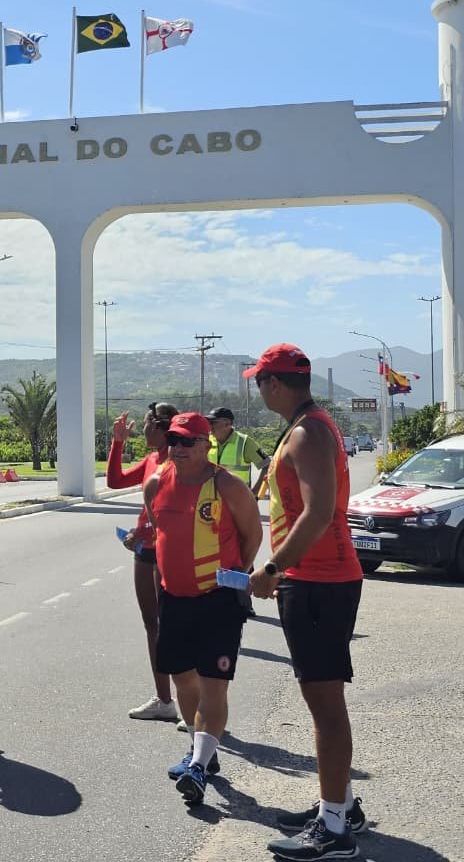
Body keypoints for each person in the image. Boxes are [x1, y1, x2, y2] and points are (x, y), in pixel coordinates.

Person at [243, 345, 367, 860]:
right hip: (316, 579)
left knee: (325, 708)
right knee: (323, 701)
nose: (257, 389)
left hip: (317, 580)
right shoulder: (309, 426)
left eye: (258, 381)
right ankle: (341, 804)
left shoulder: (308, 431)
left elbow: (316, 515)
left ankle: (335, 829)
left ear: (273, 383)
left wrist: (274, 568)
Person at [143, 412, 262, 806]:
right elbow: (155, 529)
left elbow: (252, 534)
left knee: (213, 682)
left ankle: (196, 766)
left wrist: (236, 576)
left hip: (218, 599)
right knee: (183, 680)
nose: (177, 448)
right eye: (173, 440)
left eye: (187, 441)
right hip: (174, 598)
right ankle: (202, 753)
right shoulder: (157, 481)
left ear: (206, 444)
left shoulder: (226, 484)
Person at [106, 401, 180, 722]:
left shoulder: (180, 460)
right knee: (152, 624)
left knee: (174, 626)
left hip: (170, 549)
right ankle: (165, 700)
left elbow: (171, 509)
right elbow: (115, 481)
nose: (144, 428)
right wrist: (117, 442)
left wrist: (141, 530)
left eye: (149, 423)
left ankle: (191, 703)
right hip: (145, 550)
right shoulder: (151, 459)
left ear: (163, 426)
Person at [207, 406, 269, 620]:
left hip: (239, 506)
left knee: (242, 552)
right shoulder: (209, 441)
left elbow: (267, 465)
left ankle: (244, 600)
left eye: (214, 423)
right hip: (212, 506)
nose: (210, 427)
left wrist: (255, 494)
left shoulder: (244, 442)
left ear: (227, 424)